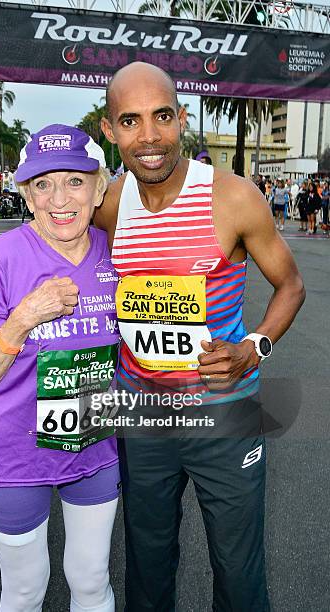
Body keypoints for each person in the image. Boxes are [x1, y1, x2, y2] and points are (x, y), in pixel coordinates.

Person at [95, 62, 305, 612]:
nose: (150, 137)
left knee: (238, 574)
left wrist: (254, 347)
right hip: (142, 415)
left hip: (225, 415)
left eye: (162, 117)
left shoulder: (231, 196)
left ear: (181, 119)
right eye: (131, 121)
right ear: (109, 129)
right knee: (147, 563)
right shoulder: (112, 204)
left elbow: (290, 285)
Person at [0, 124, 120, 612]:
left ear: (98, 189)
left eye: (75, 181)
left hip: (93, 445)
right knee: (27, 588)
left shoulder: (119, 255)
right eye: (43, 185)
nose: (59, 199)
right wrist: (24, 317)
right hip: (13, 455)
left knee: (91, 580)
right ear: (27, 197)